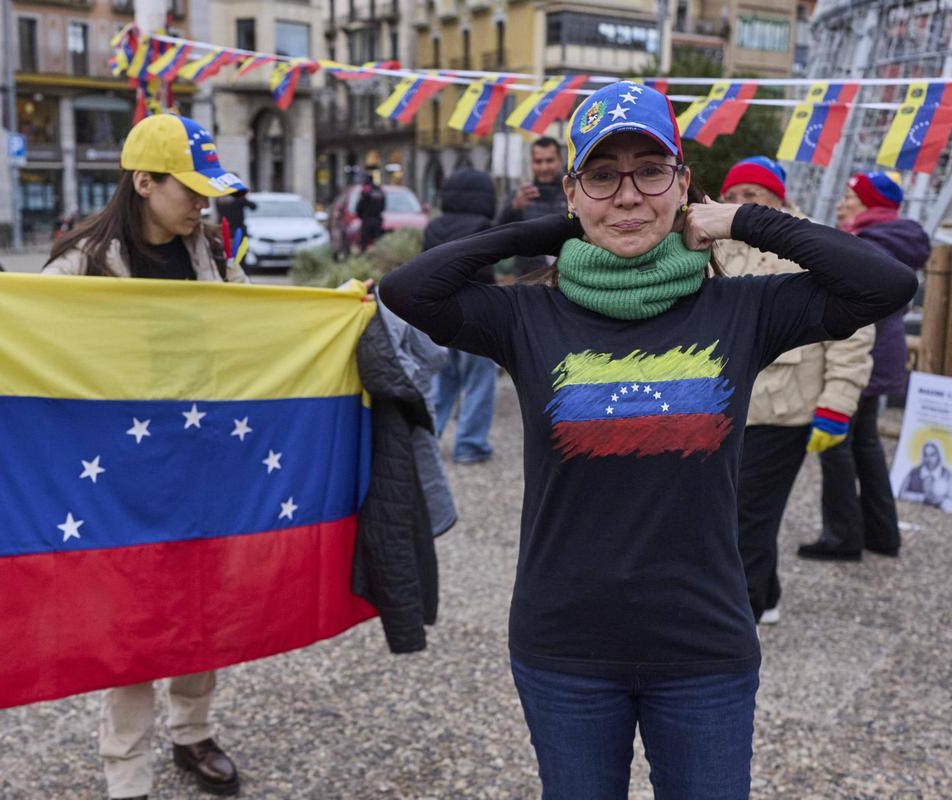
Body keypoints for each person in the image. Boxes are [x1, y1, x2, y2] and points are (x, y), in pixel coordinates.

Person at [379, 80, 916, 799]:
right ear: (571, 188)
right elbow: (409, 291)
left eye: (650, 171)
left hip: (705, 652)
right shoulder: (528, 317)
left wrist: (739, 223)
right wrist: (552, 227)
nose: (629, 195)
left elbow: (883, 285)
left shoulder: (740, 309)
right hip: (565, 649)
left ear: (682, 183)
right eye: (602, 175)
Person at [0, 113, 250, 799]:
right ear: (143, 181)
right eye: (191, 189)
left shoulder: (210, 249)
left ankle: (193, 732)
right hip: (116, 470)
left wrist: (332, 315)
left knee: (200, 605)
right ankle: (129, 774)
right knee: (134, 622)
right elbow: (21, 331)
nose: (203, 203)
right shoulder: (82, 258)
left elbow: (250, 330)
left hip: (199, 458)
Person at [716, 157, 874, 624]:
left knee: (749, 515)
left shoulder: (811, 244)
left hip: (785, 411)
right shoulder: (711, 244)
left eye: (754, 196)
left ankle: (745, 609)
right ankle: (767, 592)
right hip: (727, 406)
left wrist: (837, 404)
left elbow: (854, 332)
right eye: (734, 195)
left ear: (778, 200)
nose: (741, 205)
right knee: (729, 510)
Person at [800, 171, 931, 561]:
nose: (841, 206)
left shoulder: (865, 243)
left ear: (871, 205)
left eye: (850, 199)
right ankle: (882, 532)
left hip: (861, 353)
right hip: (885, 351)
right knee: (868, 445)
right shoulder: (901, 239)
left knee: (837, 443)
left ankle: (842, 535)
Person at [424, 168, 500, 463]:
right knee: (480, 380)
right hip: (475, 316)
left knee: (443, 381)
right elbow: (484, 275)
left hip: (438, 315)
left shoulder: (434, 227)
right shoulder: (482, 226)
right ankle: (470, 444)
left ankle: (429, 438)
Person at [496, 137, 569, 276]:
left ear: (560, 160)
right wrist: (514, 208)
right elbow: (497, 233)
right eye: (538, 161)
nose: (544, 167)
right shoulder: (519, 196)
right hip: (528, 278)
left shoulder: (572, 193)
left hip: (568, 275)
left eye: (549, 160)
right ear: (531, 163)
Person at [900, 441, 952, 512]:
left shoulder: (947, 474)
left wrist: (941, 500)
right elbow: (902, 494)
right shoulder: (914, 472)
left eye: (932, 455)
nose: (929, 459)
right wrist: (922, 498)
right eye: (926, 455)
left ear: (938, 455)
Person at [354, 173, 386, 252]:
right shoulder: (379, 190)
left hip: (367, 219)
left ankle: (364, 257)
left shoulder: (366, 189)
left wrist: (361, 215)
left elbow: (359, 206)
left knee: (364, 243)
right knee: (378, 242)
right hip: (377, 219)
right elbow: (383, 206)